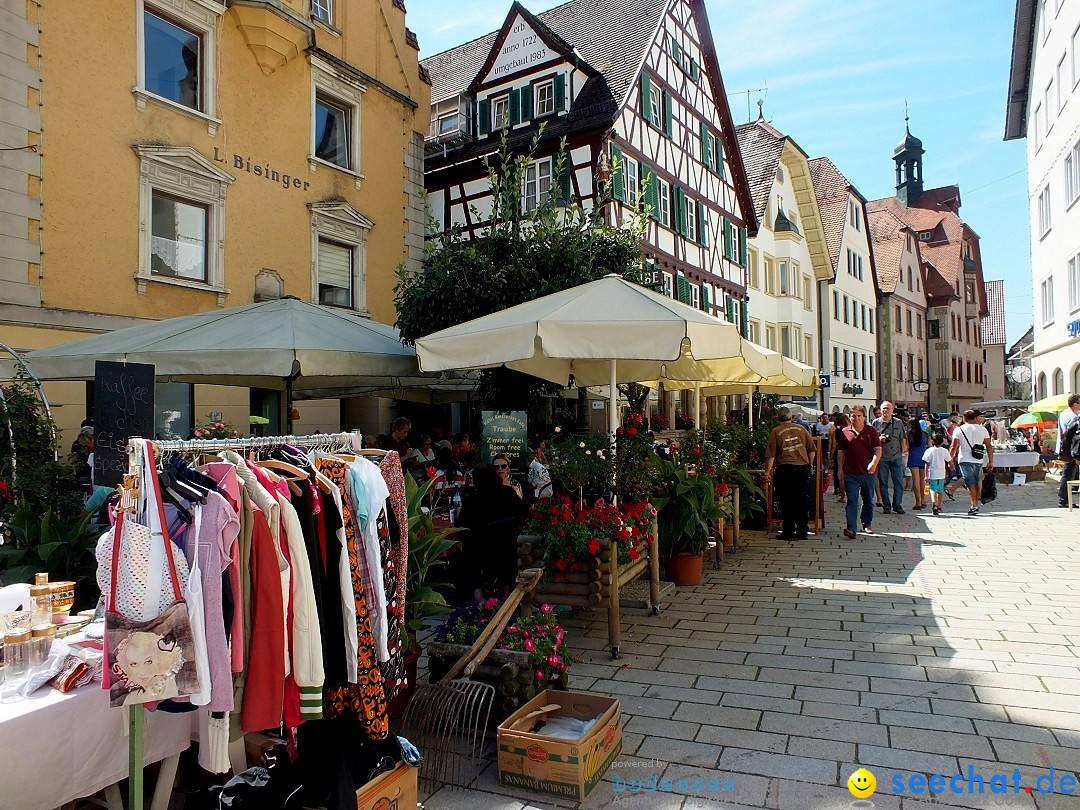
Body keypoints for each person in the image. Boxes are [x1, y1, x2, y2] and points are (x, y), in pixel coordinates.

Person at [453, 463, 528, 601]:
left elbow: (461, 525)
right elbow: (524, 513)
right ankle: (505, 591)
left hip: (482, 552)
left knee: (465, 549)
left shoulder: (473, 499)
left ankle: (478, 595)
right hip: (508, 550)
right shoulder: (508, 493)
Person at [762, 408, 816, 541]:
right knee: (802, 500)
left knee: (786, 501)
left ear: (778, 418)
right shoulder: (802, 429)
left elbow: (771, 455)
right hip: (802, 468)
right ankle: (802, 530)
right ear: (790, 417)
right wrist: (810, 464)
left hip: (785, 469)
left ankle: (788, 531)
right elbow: (812, 449)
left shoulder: (775, 431)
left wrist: (767, 473)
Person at [835, 405, 882, 539]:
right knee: (852, 500)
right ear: (850, 417)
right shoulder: (845, 432)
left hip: (868, 472)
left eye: (859, 416)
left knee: (868, 500)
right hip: (851, 472)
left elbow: (877, 449)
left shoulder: (871, 431)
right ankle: (851, 528)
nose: (856, 419)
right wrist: (840, 468)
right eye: (853, 416)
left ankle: (867, 523)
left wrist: (874, 463)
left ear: (864, 417)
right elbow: (841, 451)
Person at [949, 409, 994, 516]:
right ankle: (976, 504)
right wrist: (991, 461)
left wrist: (949, 459)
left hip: (964, 459)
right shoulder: (983, 430)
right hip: (978, 460)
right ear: (975, 417)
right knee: (976, 482)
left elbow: (953, 446)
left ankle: (974, 505)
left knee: (970, 483)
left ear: (964, 418)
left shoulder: (959, 430)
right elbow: (988, 446)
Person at [873, 401, 907, 514]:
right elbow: (872, 440)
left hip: (896, 456)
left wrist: (903, 454)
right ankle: (886, 506)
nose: (885, 411)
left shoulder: (898, 423)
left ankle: (897, 505)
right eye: (883, 408)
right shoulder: (876, 423)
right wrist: (879, 438)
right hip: (882, 457)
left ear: (892, 410)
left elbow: (903, 438)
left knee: (898, 482)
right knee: (883, 483)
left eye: (888, 408)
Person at [1057, 394, 1080, 507]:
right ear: (1075, 404)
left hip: (1066, 448)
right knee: (1068, 473)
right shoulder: (1073, 417)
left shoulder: (1064, 414)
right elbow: (1074, 436)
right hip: (1071, 449)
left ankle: (1065, 498)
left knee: (1069, 473)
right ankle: (1063, 499)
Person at [923, 434, 952, 516]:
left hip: (932, 473)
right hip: (941, 473)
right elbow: (949, 461)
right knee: (940, 491)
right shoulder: (944, 451)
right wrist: (951, 467)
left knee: (933, 490)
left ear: (932, 441)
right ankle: (939, 505)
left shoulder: (929, 451)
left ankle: (934, 504)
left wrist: (926, 475)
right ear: (942, 442)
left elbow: (927, 463)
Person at [907, 418, 929, 510]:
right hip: (923, 457)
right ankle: (923, 500)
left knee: (915, 480)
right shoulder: (925, 434)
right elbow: (929, 445)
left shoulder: (909, 434)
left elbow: (906, 446)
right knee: (922, 480)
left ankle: (918, 502)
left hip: (913, 456)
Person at [829, 413, 849, 503]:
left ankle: (842, 496)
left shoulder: (835, 431)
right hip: (849, 452)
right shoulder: (850, 430)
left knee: (840, 474)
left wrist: (831, 456)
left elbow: (833, 445)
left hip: (839, 452)